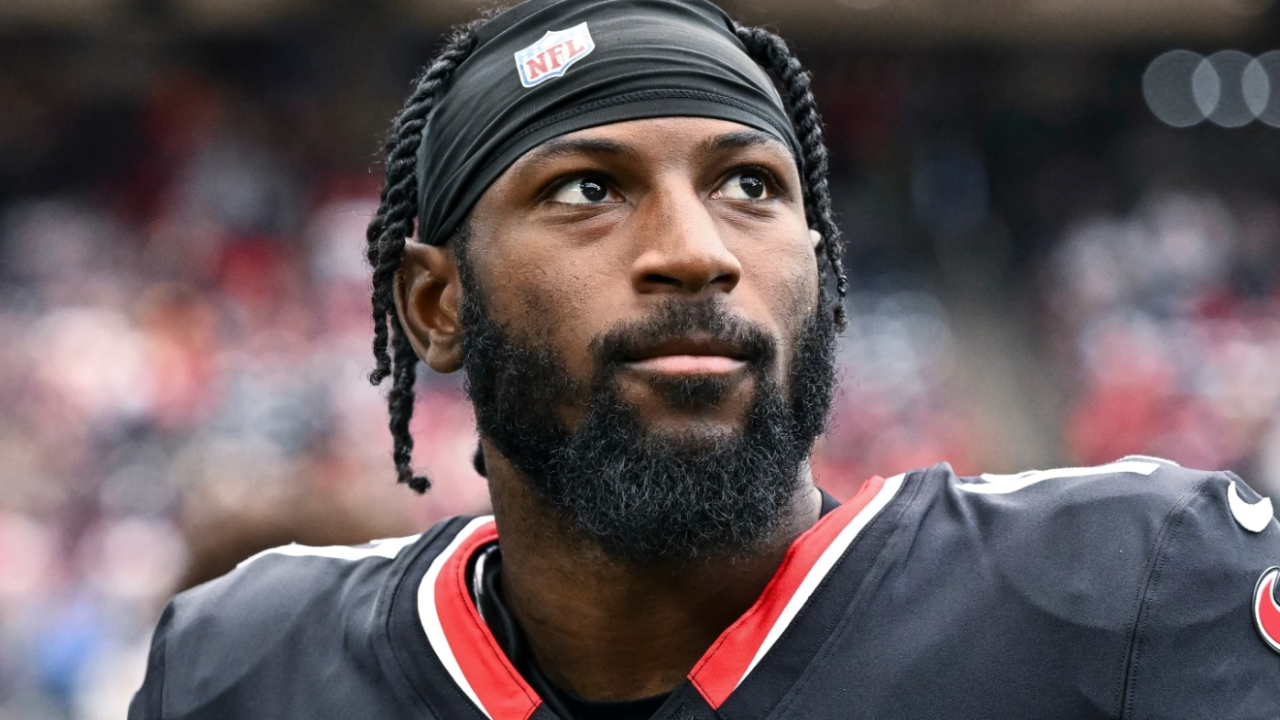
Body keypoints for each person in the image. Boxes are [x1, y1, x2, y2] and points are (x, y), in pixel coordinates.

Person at [128, 0, 1280, 717]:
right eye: (587, 189)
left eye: (749, 186)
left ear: (821, 275)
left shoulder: (1140, 590)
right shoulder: (245, 667)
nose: (695, 252)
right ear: (435, 303)